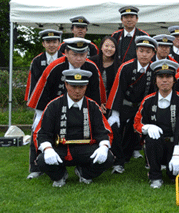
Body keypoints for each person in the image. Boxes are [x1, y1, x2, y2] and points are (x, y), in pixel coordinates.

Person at [34, 69, 115, 187]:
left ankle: (85, 173)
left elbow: (102, 131)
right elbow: (43, 133)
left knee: (108, 157)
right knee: (42, 160)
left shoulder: (93, 106)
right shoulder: (54, 105)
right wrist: (48, 149)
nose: (77, 91)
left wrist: (104, 147)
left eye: (81, 87)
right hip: (61, 148)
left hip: (85, 148)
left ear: (86, 86)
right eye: (73, 86)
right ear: (66, 85)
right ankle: (60, 175)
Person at [134, 59, 179, 188]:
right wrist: (146, 127)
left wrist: (177, 153)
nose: (164, 80)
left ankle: (172, 167)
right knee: (151, 139)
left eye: (168, 76)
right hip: (156, 145)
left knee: (175, 174)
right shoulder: (148, 100)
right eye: (160, 77)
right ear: (155, 80)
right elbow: (137, 123)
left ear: (174, 80)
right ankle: (155, 176)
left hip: (175, 144)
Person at [28, 37, 106, 129]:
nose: (79, 59)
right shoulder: (54, 67)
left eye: (82, 55)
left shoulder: (92, 68)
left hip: (83, 110)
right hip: (56, 110)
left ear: (86, 54)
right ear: (66, 53)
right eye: (75, 55)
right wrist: (40, 116)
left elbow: (95, 94)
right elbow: (43, 92)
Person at [106, 36, 158, 173]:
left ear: (153, 54)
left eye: (148, 52)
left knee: (135, 130)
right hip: (124, 106)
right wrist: (114, 113)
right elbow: (117, 90)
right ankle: (118, 162)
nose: (144, 55)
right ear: (136, 51)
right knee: (115, 128)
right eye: (141, 51)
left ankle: (135, 156)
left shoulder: (154, 69)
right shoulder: (126, 67)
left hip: (142, 108)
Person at [24, 28, 62, 179]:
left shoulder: (65, 59)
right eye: (48, 42)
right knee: (37, 132)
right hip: (42, 105)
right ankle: (35, 167)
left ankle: (61, 164)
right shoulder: (37, 61)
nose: (51, 45)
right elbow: (34, 86)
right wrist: (38, 110)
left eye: (54, 41)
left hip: (61, 103)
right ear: (43, 44)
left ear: (59, 43)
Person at [89, 36, 121, 102]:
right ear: (101, 47)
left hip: (112, 101)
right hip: (92, 99)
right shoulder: (91, 62)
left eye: (112, 47)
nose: (109, 49)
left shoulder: (119, 66)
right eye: (106, 46)